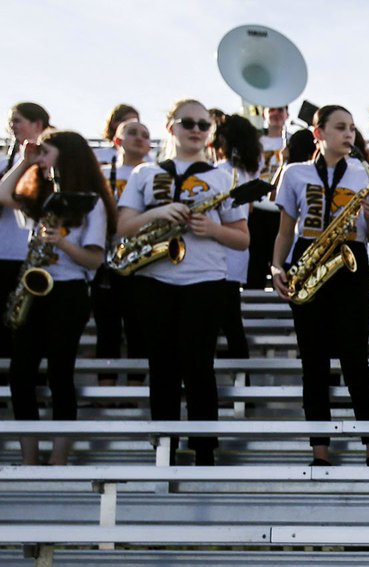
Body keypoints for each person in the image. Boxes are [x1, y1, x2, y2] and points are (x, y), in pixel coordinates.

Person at [117, 98, 248, 466]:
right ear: (171, 126)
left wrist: (214, 228)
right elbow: (123, 226)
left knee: (199, 367)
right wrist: (157, 211)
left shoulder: (222, 177)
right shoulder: (144, 173)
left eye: (203, 125)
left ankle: (205, 451)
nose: (195, 130)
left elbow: (243, 238)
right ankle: (165, 452)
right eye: (187, 122)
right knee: (162, 367)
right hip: (153, 279)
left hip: (205, 280)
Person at [269, 104, 369, 467]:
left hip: (350, 265)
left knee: (355, 360)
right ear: (318, 133)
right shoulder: (293, 173)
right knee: (314, 363)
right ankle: (319, 448)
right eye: (340, 127)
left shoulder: (364, 172)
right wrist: (276, 267)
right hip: (309, 261)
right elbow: (286, 229)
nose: (349, 134)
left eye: (352, 128)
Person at [0, 130, 113, 465]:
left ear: (66, 155)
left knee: (60, 373)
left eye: (46, 152)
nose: (41, 157)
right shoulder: (41, 193)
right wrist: (25, 160)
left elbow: (94, 259)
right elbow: (1, 194)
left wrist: (60, 243)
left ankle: (58, 458)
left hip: (69, 291)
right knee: (21, 374)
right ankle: (29, 458)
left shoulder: (91, 200)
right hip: (35, 290)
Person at [0, 102, 51, 386]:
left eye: (19, 121)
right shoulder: (4, 163)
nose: (13, 126)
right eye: (11, 121)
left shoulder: (49, 161)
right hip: (0, 252)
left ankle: (31, 382)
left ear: (38, 125)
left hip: (31, 254)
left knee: (32, 325)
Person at [93, 119, 151, 387]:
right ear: (117, 141)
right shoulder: (101, 174)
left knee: (139, 328)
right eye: (132, 133)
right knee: (107, 329)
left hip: (142, 260)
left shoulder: (154, 174)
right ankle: (106, 387)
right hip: (106, 260)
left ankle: (136, 387)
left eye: (145, 135)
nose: (139, 138)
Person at [211, 114, 262, 360]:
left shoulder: (219, 171)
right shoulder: (245, 172)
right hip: (235, 252)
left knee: (224, 324)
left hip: (221, 252)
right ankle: (244, 391)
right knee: (231, 323)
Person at [245, 105, 288, 289]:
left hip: (282, 209)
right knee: (256, 258)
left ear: (287, 114)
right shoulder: (255, 141)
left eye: (280, 110)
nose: (276, 114)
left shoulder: (292, 141)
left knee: (281, 259)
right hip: (258, 207)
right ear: (264, 114)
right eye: (272, 110)